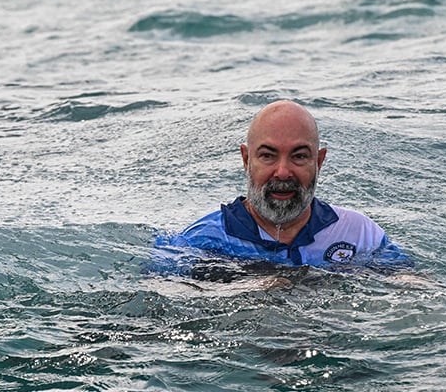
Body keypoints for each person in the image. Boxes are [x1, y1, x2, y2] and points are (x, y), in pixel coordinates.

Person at [157, 100, 413, 273]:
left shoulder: (359, 235)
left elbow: (412, 287)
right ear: (246, 160)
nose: (282, 172)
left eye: (299, 156)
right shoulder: (202, 242)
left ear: (319, 161)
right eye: (268, 156)